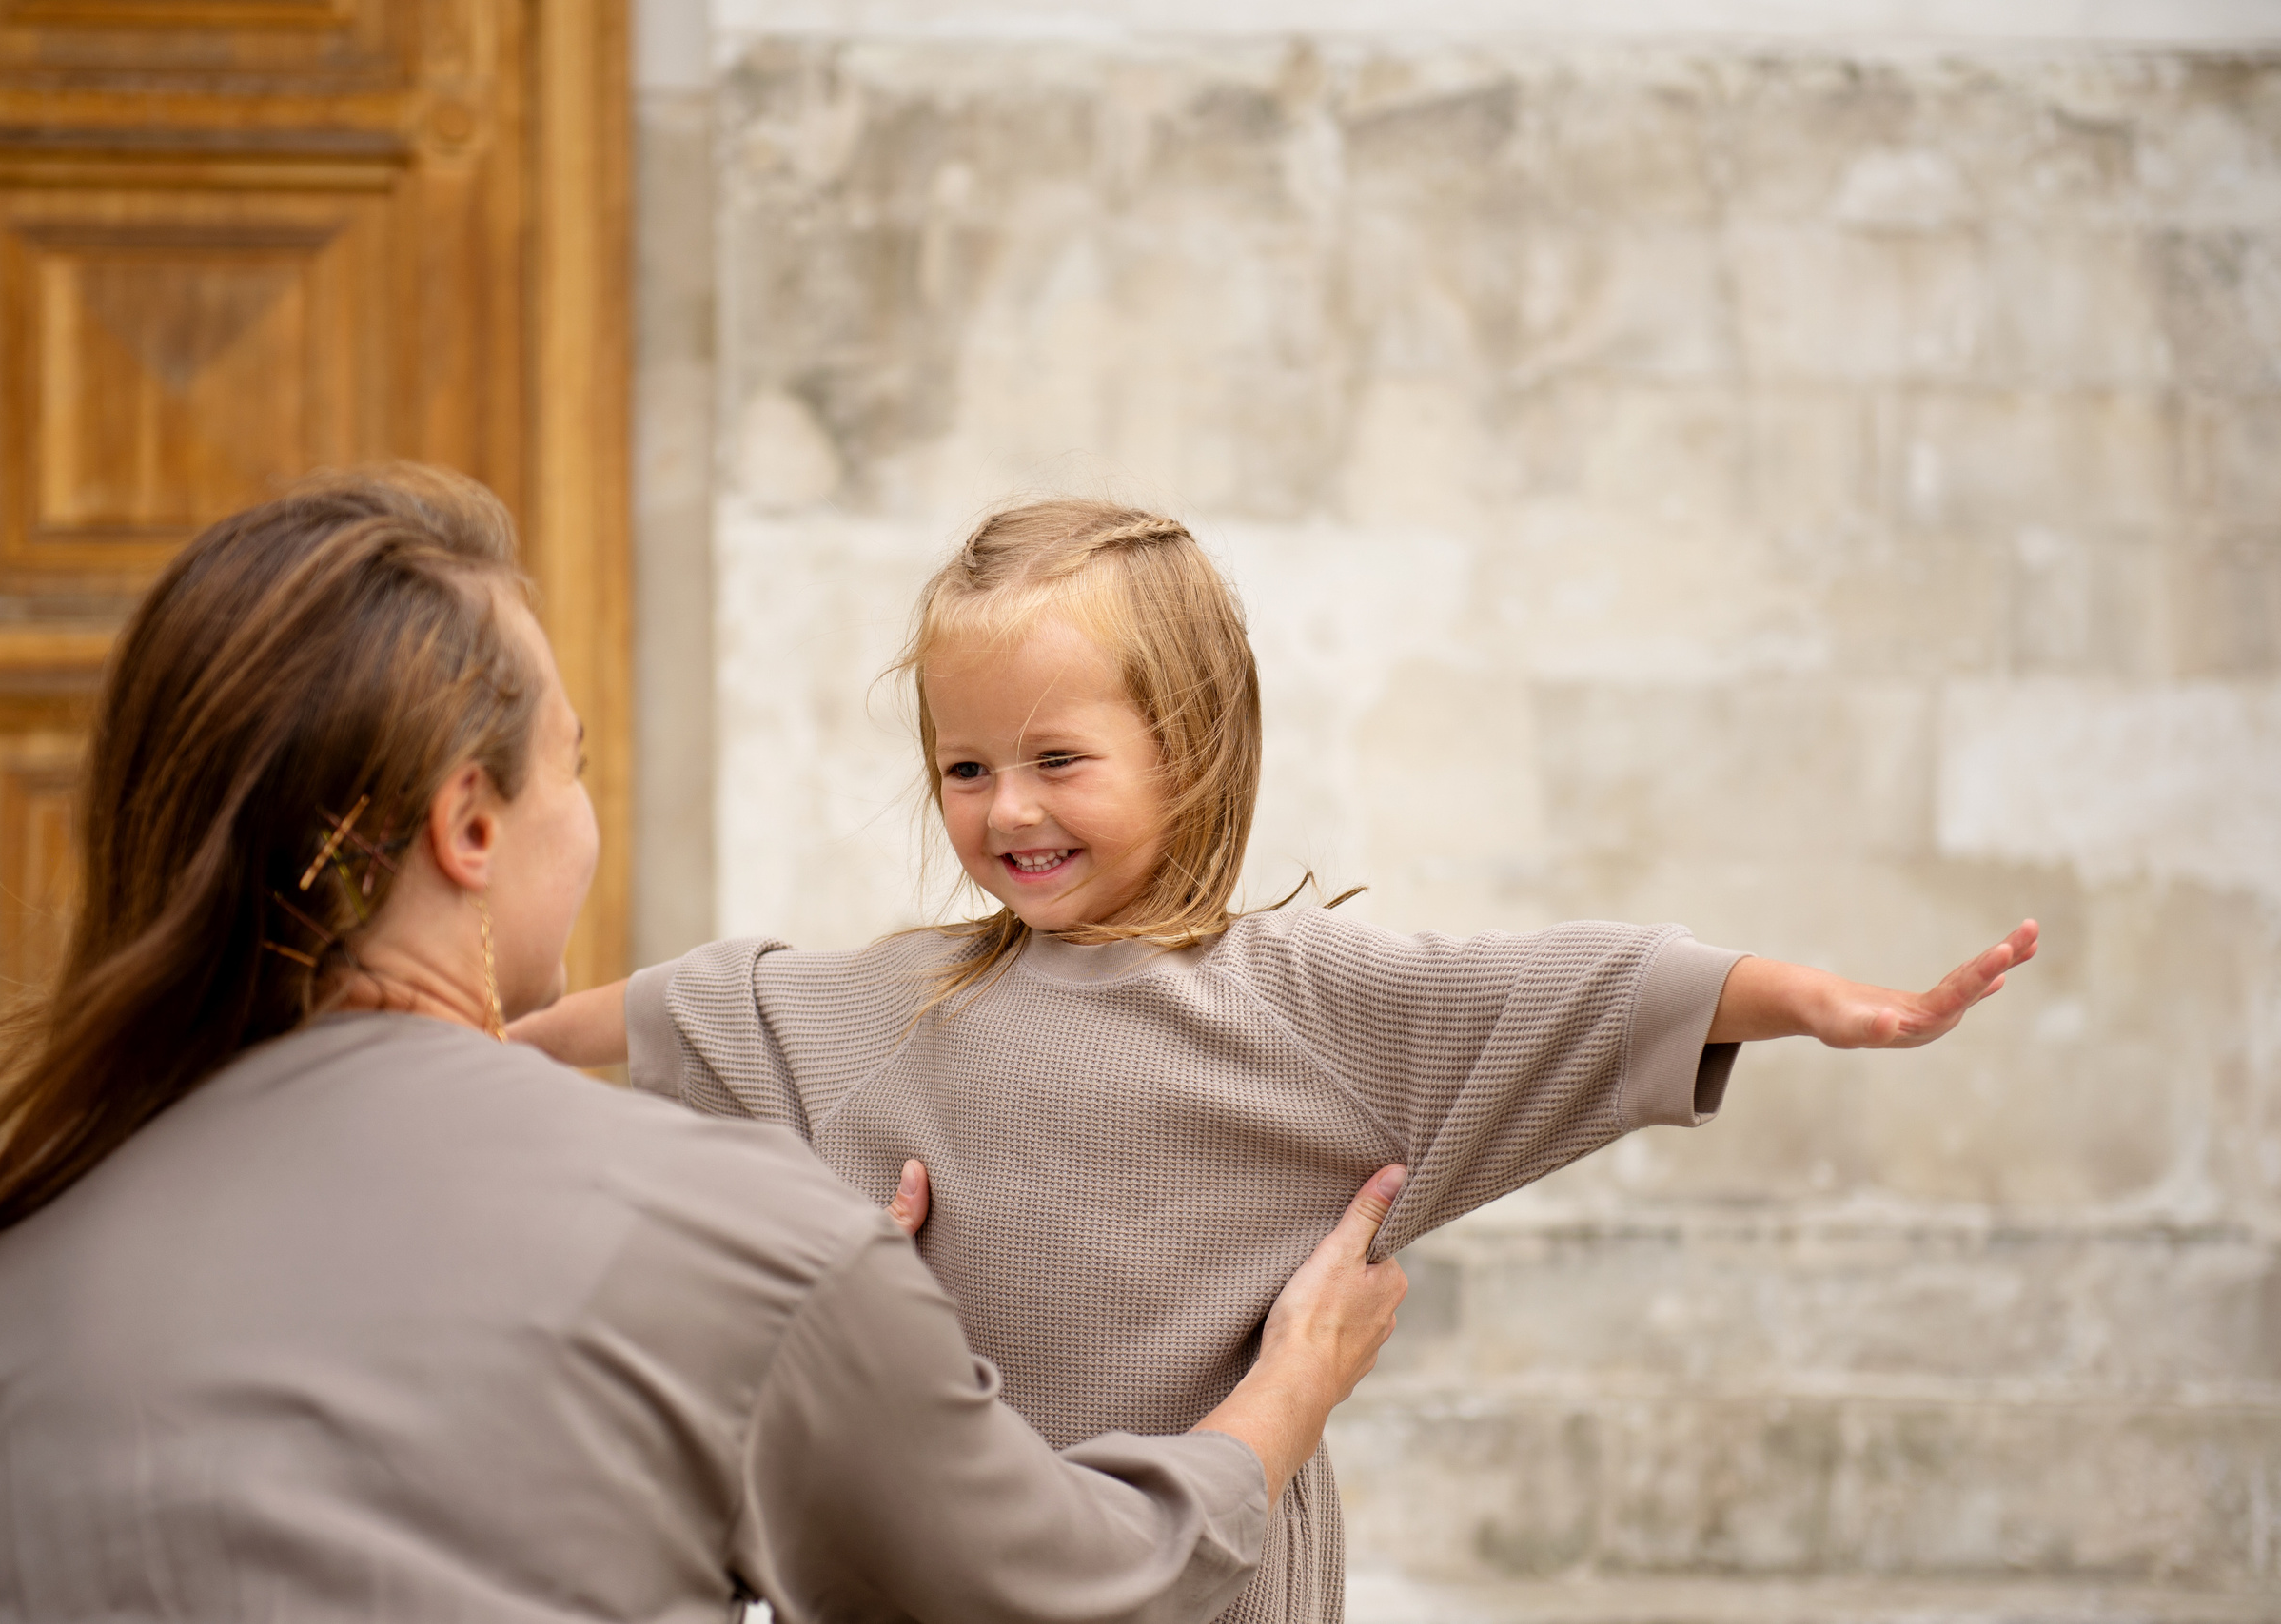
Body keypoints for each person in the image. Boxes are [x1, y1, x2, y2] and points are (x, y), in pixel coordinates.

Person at [0, 468, 1414, 1624]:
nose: (590, 810)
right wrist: (1287, 1390)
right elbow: (1067, 1592)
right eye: (574, 761)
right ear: (473, 827)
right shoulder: (736, 1246)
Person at [518, 498, 2044, 1624]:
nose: (1006, 810)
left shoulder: (1314, 1010)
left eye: (1058, 760)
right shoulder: (896, 1006)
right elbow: (694, 1007)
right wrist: (492, 1039)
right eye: (965, 769)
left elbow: (1574, 991)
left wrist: (1828, 1005)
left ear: (1188, 744)